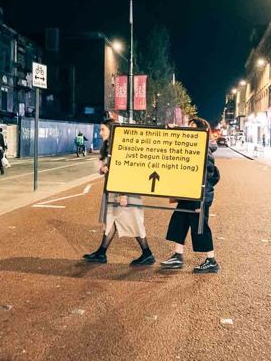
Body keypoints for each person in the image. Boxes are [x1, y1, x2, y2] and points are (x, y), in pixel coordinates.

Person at [83, 119, 154, 265]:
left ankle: (147, 253)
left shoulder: (121, 146)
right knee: (111, 221)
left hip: (124, 191)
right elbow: (102, 164)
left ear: (111, 129)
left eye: (103, 129)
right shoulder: (108, 146)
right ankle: (101, 253)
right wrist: (101, 168)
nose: (100, 132)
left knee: (134, 222)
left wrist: (123, 194)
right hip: (113, 190)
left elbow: (126, 171)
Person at [161, 117, 221, 273]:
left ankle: (211, 260)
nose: (190, 130)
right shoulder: (191, 147)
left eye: (193, 128)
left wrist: (200, 200)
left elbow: (206, 175)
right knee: (179, 222)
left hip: (199, 196)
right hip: (187, 194)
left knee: (200, 227)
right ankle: (177, 255)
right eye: (189, 127)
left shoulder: (204, 150)